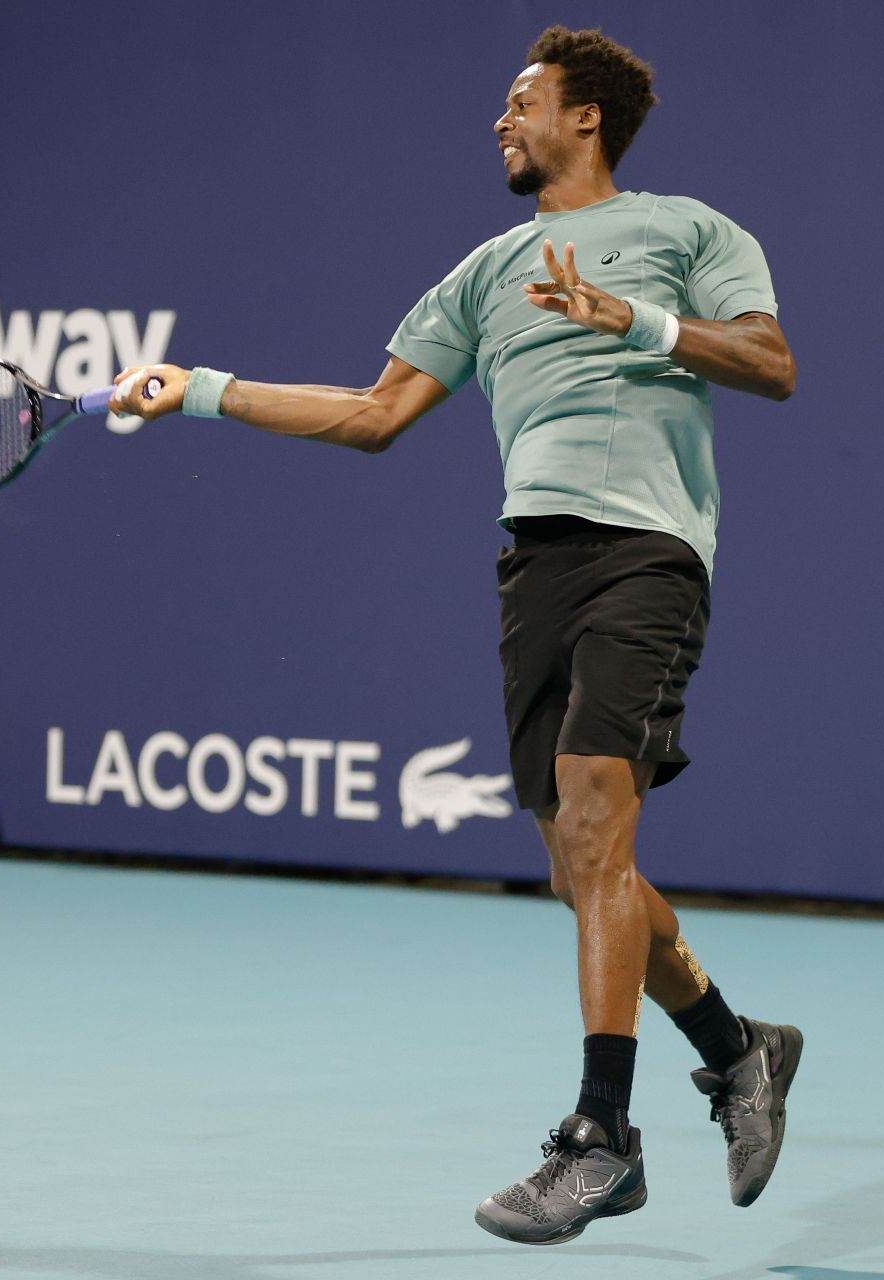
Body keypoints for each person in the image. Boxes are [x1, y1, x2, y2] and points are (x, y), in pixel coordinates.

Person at [110, 26, 799, 1244]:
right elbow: (376, 413)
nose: (501, 119)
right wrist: (205, 387)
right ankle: (739, 1048)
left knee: (594, 818)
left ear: (584, 118)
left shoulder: (692, 230)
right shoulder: (483, 271)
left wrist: (630, 318)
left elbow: (770, 361)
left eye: (521, 100)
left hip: (648, 550)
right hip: (536, 564)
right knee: (587, 869)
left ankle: (602, 1138)